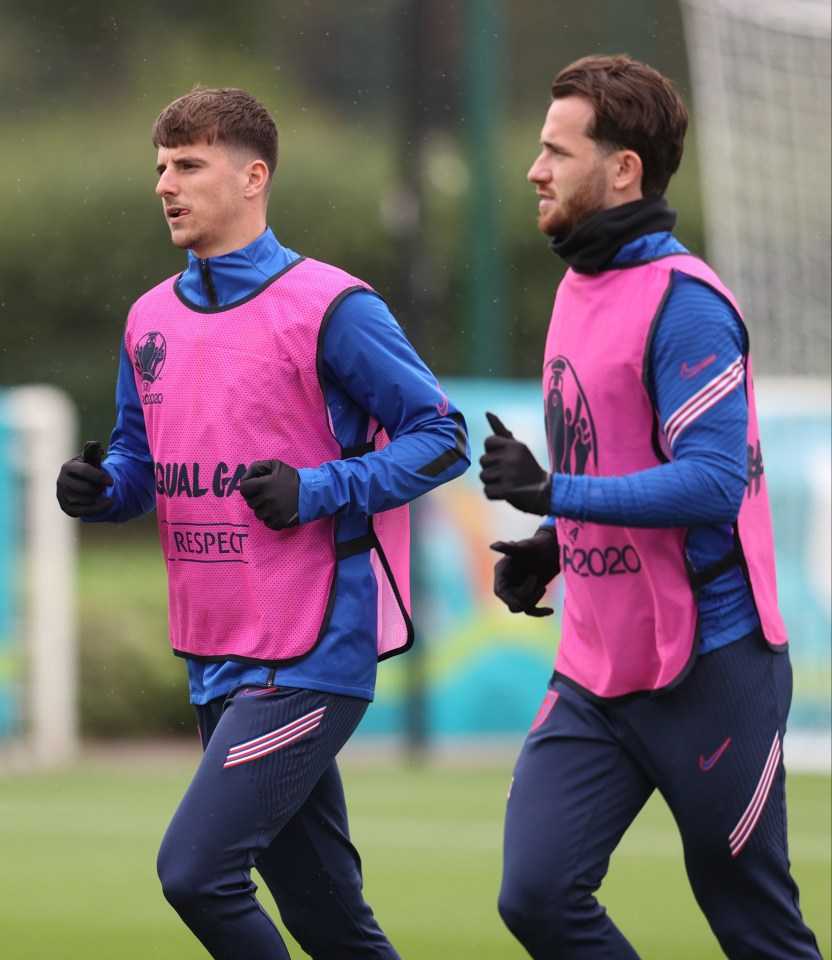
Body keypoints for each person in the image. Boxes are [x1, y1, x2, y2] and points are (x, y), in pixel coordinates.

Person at [56, 86, 469, 960]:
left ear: (253, 177)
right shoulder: (148, 318)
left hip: (311, 649)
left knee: (195, 873)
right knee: (328, 923)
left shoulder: (332, 306)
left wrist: (317, 489)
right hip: (216, 649)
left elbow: (443, 440)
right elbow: (142, 465)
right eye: (161, 167)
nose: (167, 184)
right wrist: (103, 489)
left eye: (190, 166)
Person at [479, 55, 821, 959]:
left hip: (712, 664)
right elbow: (617, 457)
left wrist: (558, 492)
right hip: (597, 665)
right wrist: (556, 540)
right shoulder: (575, 283)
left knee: (755, 925)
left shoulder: (688, 303)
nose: (534, 169)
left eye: (557, 150)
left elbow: (712, 482)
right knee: (538, 896)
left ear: (623, 168)